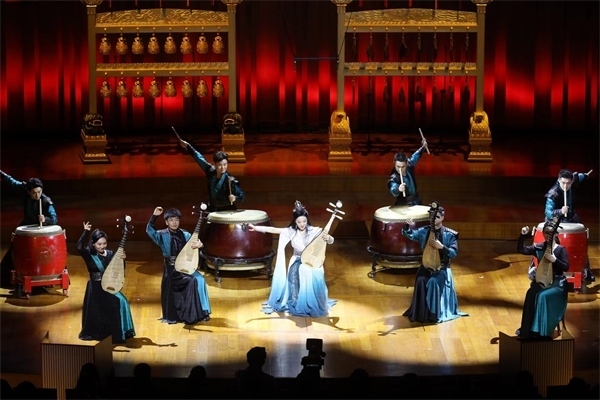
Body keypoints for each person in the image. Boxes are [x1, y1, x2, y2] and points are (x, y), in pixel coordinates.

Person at [248, 200, 336, 317]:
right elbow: (274, 230)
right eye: (299, 222)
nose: (302, 224)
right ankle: (296, 301)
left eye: (304, 221)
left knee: (317, 272)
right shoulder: (291, 231)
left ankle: (315, 302)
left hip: (311, 260)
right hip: (297, 259)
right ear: (295, 221)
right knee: (299, 271)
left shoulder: (313, 231)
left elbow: (329, 239)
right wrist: (256, 228)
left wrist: (329, 238)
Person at [402, 204, 467, 323]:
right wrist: (406, 226)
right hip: (427, 265)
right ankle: (421, 314)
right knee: (421, 279)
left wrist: (442, 247)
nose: (433, 219)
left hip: (442, 268)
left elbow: (453, 253)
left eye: (436, 217)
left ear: (442, 218)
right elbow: (410, 234)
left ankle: (433, 315)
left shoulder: (449, 234)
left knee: (433, 282)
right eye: (431, 216)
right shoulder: (424, 231)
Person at [146, 207, 211, 324]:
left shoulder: (185, 234)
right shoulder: (161, 235)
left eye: (176, 220)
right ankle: (189, 315)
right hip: (171, 270)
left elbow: (195, 243)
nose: (174, 222)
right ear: (166, 222)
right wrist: (154, 216)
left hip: (185, 265)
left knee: (200, 279)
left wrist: (200, 245)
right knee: (192, 281)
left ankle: (203, 312)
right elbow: (149, 230)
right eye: (171, 220)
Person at [77, 222, 136, 344]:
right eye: (99, 244)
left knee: (123, 301)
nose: (102, 246)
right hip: (96, 288)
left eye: (104, 243)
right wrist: (86, 231)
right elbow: (79, 247)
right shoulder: (89, 254)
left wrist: (122, 260)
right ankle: (116, 334)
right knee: (117, 301)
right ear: (93, 244)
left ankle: (123, 332)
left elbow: (118, 269)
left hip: (108, 284)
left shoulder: (110, 253)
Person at [0, 171, 58, 288]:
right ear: (28, 192)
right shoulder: (24, 189)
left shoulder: (46, 201)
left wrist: (45, 219)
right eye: (34, 193)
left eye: (39, 192)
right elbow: (12, 182)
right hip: (27, 224)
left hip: (40, 228)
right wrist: (1, 174)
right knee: (15, 250)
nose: (37, 195)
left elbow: (54, 219)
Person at [516, 221, 569, 339]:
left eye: (550, 233)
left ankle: (541, 331)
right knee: (531, 293)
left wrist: (555, 260)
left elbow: (566, 267)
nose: (547, 235)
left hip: (557, 284)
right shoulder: (540, 247)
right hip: (543, 280)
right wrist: (523, 236)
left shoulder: (561, 250)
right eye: (545, 232)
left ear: (555, 234)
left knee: (542, 296)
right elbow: (522, 250)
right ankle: (527, 330)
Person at [544, 168, 594, 281]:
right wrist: (560, 211)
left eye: (568, 183)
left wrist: (585, 175)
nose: (565, 186)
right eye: (563, 183)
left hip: (570, 216)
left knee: (581, 239)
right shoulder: (553, 193)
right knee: (549, 245)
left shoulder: (573, 180)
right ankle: (537, 267)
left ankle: (585, 269)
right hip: (555, 219)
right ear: (559, 180)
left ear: (572, 182)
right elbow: (548, 213)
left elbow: (578, 176)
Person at [179, 139, 245, 212]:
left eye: (225, 164)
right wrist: (188, 146)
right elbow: (200, 159)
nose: (223, 167)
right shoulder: (210, 171)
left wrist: (235, 197)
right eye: (219, 165)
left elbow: (241, 195)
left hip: (227, 210)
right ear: (215, 164)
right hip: (213, 209)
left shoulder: (230, 180)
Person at [388, 138, 428, 206]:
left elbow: (415, 156)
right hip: (404, 204)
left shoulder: (409, 165)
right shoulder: (393, 178)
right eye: (398, 166)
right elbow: (393, 189)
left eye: (403, 167)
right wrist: (398, 189)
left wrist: (423, 147)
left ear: (406, 164)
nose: (400, 169)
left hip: (416, 201)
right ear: (394, 163)